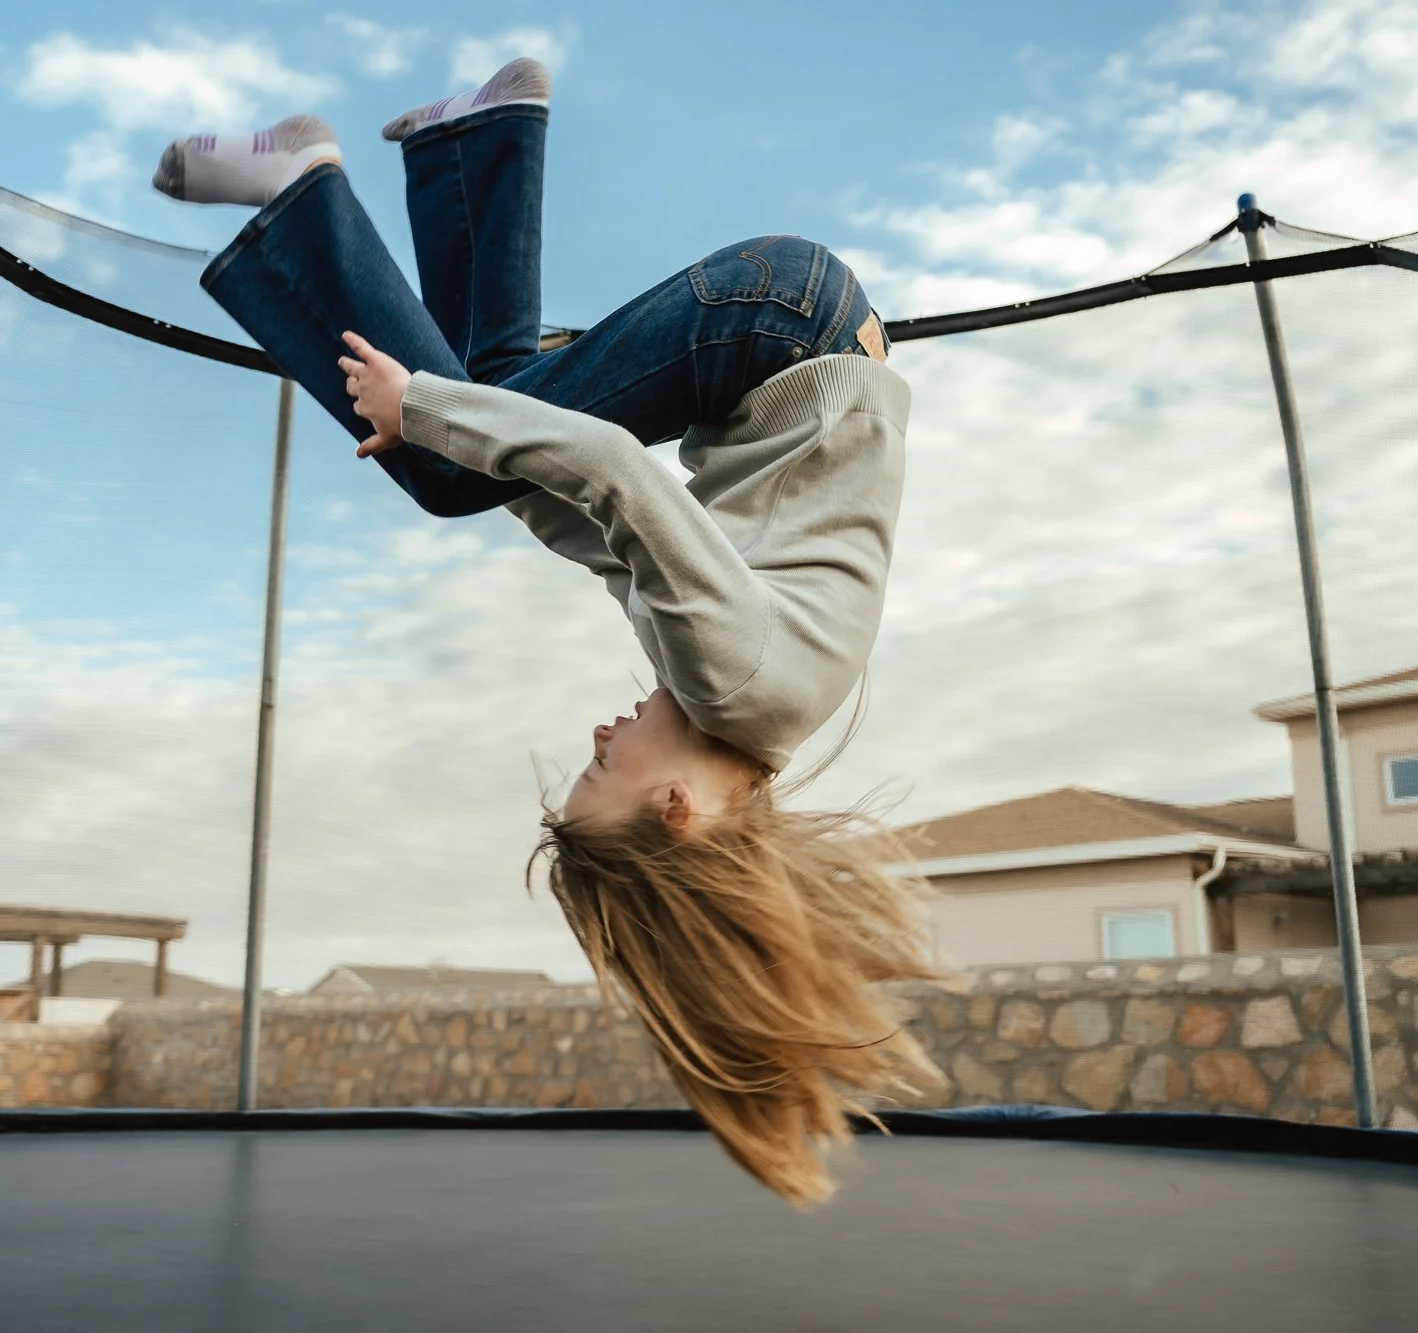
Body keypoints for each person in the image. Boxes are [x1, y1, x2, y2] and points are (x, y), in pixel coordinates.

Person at [156, 59, 942, 1206]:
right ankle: (300, 186)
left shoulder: (732, 704)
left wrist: (475, 453)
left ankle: (481, 140)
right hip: (775, 322)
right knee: (440, 452)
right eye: (600, 767)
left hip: (791, 328)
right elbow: (617, 473)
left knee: (492, 405)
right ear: (677, 810)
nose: (598, 733)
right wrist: (415, 418)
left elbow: (591, 523)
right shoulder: (738, 684)